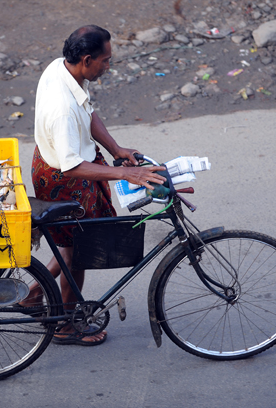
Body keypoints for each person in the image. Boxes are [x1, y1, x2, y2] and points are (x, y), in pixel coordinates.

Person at [31, 25, 166, 345]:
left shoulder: (63, 69)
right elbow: (72, 165)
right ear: (87, 59)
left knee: (68, 245)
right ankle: (64, 327)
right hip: (66, 179)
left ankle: (33, 293)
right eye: (105, 61)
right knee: (78, 252)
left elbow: (88, 114)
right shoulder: (62, 108)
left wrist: (116, 150)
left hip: (62, 164)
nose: (108, 66)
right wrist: (125, 174)